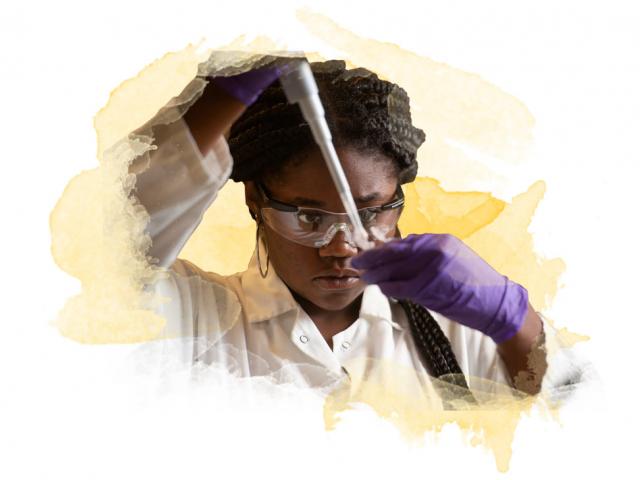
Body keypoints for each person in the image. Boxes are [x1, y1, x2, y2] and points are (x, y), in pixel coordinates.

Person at [129, 56, 578, 406]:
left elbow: (588, 433)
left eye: (370, 214)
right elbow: (104, 241)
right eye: (309, 217)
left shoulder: (462, 333)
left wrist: (516, 321)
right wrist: (221, 92)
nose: (341, 248)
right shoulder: (192, 318)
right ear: (255, 201)